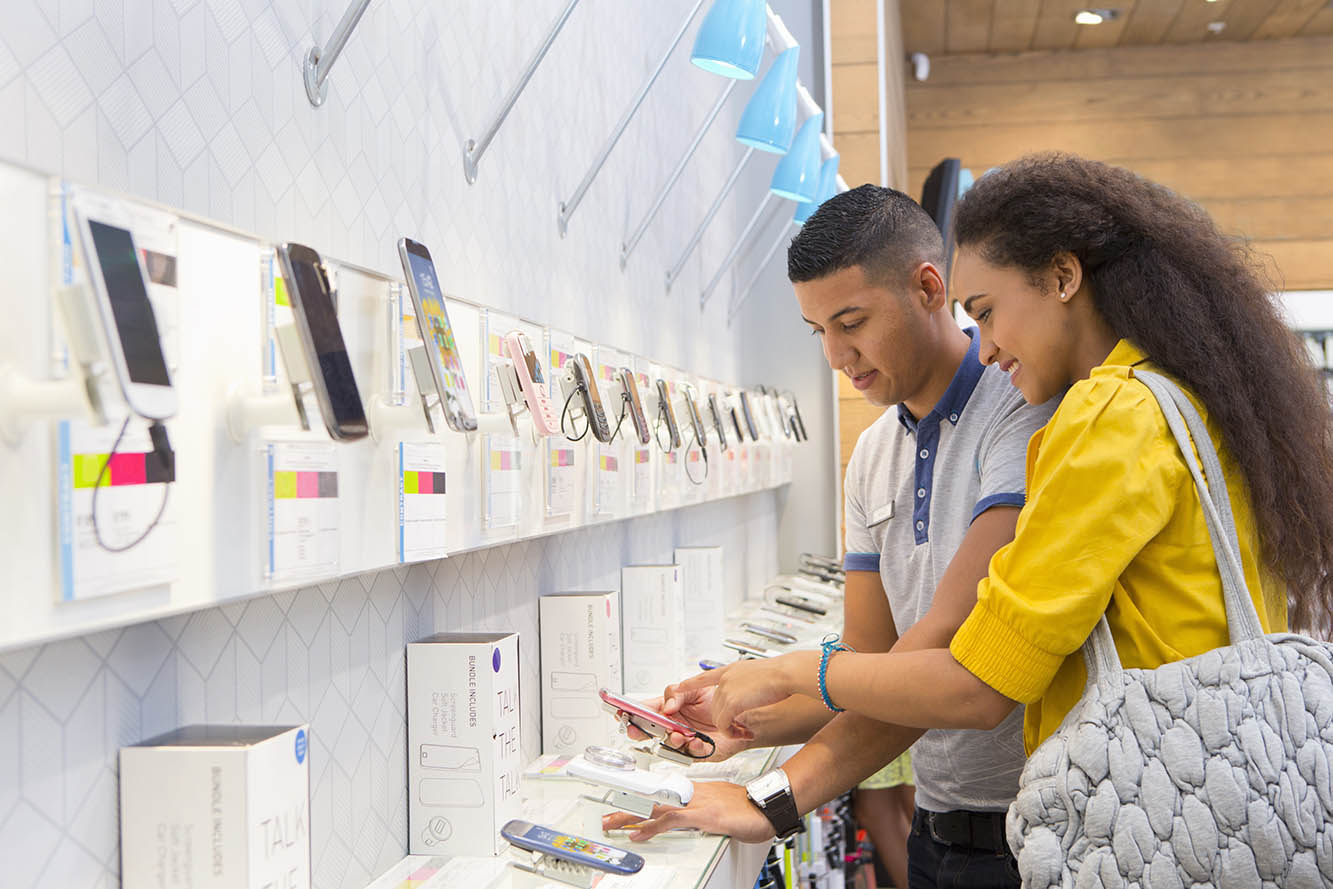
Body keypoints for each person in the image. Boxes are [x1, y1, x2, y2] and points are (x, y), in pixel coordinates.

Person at [611, 154, 1330, 854]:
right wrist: (747, 709)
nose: (985, 347)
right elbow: (883, 662)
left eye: (984, 311)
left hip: (1133, 816)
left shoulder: (1092, 412)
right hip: (1194, 799)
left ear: (1062, 276)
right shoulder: (1173, 396)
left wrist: (784, 686)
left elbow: (972, 679)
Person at [620, 184, 1056, 888]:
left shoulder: (1022, 411)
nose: (834, 354)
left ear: (927, 286)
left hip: (1036, 829)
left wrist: (772, 794)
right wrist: (738, 720)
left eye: (850, 321)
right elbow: (870, 662)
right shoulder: (873, 451)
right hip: (938, 830)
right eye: (816, 330)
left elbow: (945, 661)